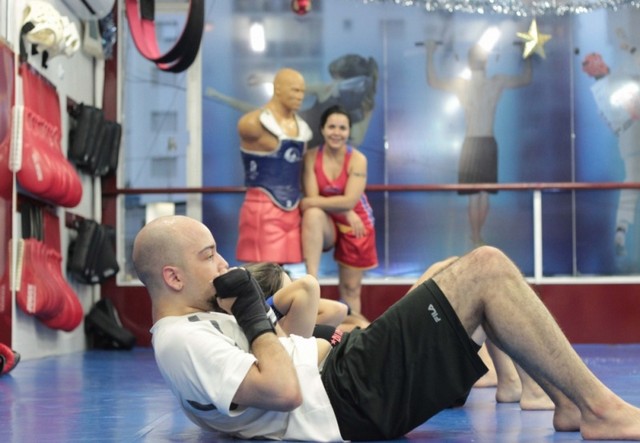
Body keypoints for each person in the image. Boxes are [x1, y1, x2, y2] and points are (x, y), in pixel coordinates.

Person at [132, 214, 640, 441]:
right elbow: (283, 391)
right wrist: (252, 313)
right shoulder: (178, 340)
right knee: (485, 267)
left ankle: (570, 404)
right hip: (350, 392)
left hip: (350, 375)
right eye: (208, 256)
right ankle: (598, 409)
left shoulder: (194, 326)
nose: (223, 264)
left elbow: (243, 395)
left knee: (455, 273)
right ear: (172, 276)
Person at [426, 40, 532, 246]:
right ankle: (475, 236)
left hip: (483, 142)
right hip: (475, 142)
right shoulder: (470, 83)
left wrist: (526, 53)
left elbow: (526, 78)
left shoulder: (494, 82)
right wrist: (430, 54)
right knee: (476, 195)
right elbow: (433, 82)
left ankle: (477, 236)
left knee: (482, 195)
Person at [301, 105, 378, 318]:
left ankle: (355, 340)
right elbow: (311, 205)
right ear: (322, 129)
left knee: (350, 289)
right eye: (332, 126)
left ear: (349, 132)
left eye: (342, 128)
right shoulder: (310, 158)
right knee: (312, 214)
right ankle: (311, 283)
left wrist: (347, 210)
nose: (337, 132)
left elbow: (350, 200)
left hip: (357, 222)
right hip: (329, 220)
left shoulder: (358, 159)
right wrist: (344, 209)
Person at [206, 53, 378, 148]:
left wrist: (338, 137)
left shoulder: (365, 105)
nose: (334, 83)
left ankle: (218, 96)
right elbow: (294, 85)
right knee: (257, 113)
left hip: (323, 150)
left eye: (338, 79)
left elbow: (357, 141)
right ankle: (219, 97)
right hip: (301, 133)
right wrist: (264, 79)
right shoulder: (326, 89)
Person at [235, 68, 312, 264]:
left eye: (303, 91)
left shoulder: (302, 128)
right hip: (262, 203)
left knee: (282, 277)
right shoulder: (252, 123)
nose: (300, 96)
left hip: (292, 207)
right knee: (262, 276)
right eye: (295, 90)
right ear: (277, 89)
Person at [582, 43, 640, 257]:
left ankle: (621, 229)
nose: (600, 62)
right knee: (632, 182)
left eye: (599, 58)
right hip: (631, 133)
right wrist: (630, 49)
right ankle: (621, 230)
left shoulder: (611, 81)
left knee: (631, 183)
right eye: (594, 61)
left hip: (628, 135)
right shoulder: (606, 87)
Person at [245, 261, 367, 333]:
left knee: (360, 325)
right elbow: (338, 310)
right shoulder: (287, 331)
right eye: (290, 294)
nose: (296, 296)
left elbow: (347, 313)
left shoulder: (301, 324)